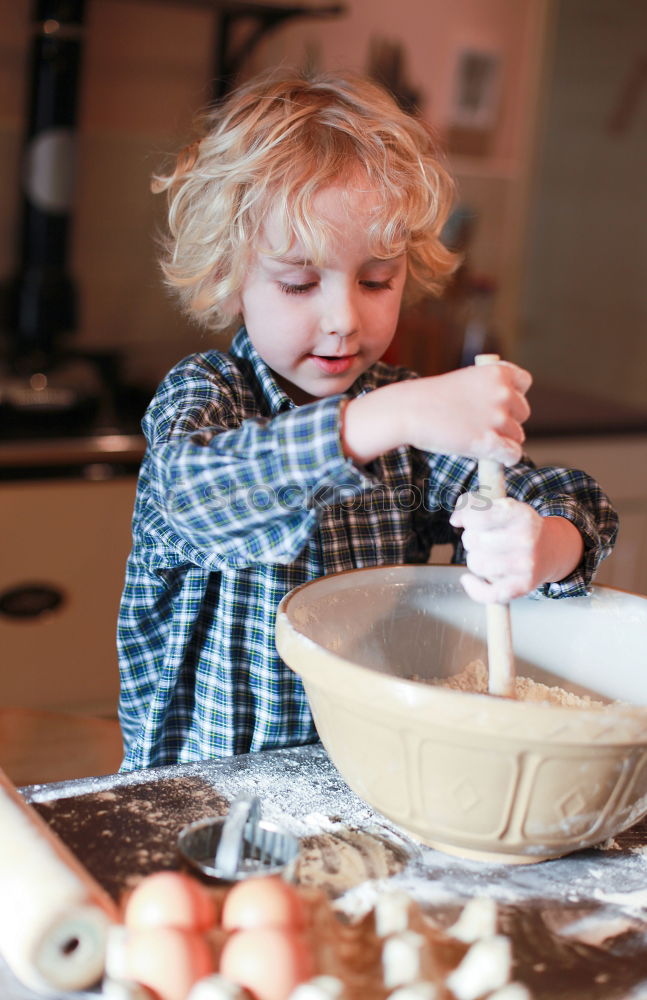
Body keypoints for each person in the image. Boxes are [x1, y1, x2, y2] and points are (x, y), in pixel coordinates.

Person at [117, 70, 617, 771]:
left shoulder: (408, 428)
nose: (343, 318)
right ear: (231, 278)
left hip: (375, 779)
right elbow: (199, 496)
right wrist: (393, 413)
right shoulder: (206, 396)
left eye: (376, 279)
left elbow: (568, 496)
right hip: (207, 796)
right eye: (297, 283)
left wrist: (541, 545)